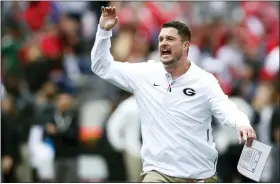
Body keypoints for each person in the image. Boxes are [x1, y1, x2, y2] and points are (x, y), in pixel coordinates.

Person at [91, 6, 257, 182]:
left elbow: (225, 107)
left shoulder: (203, 80)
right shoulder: (145, 74)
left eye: (170, 39)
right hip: (158, 173)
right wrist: (103, 32)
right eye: (161, 39)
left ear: (186, 45)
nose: (163, 43)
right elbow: (102, 66)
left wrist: (242, 123)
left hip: (198, 174)